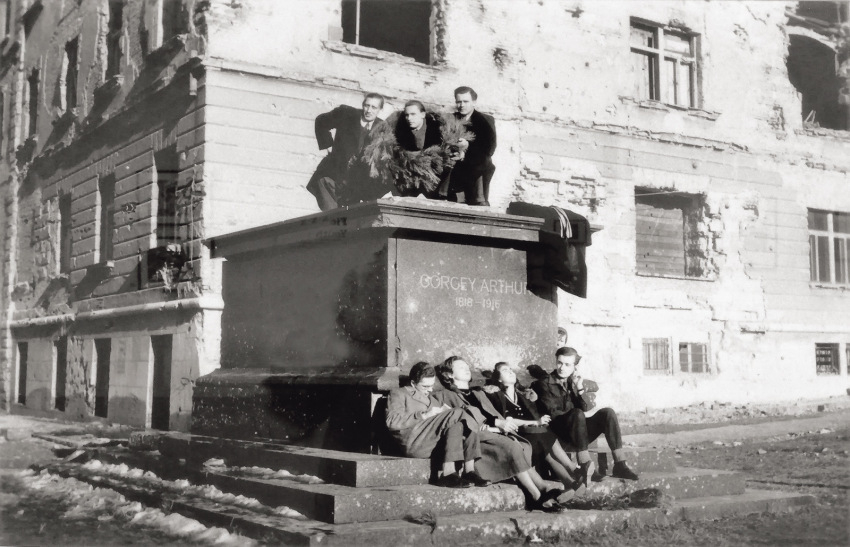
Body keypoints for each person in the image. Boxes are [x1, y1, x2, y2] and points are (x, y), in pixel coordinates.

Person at [434, 356, 566, 511]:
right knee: (511, 447)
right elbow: (454, 424)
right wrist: (494, 427)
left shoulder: (478, 393)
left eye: (467, 366)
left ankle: (543, 488)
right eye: (461, 367)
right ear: (449, 374)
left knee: (518, 445)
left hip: (494, 432)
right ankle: (536, 495)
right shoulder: (444, 395)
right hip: (474, 437)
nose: (467, 369)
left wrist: (501, 426)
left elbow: (493, 414)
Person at [531, 347, 639, 487]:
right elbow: (552, 413)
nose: (562, 368)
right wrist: (581, 414)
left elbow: (585, 408)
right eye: (559, 363)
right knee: (577, 413)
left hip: (578, 433)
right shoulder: (544, 383)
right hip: (558, 436)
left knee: (608, 413)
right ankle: (585, 465)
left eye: (567, 364)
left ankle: (620, 465)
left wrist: (579, 388)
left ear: (574, 367)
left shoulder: (572, 382)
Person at [485, 362, 584, 495]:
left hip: (530, 434)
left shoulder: (521, 395)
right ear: (498, 379)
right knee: (544, 439)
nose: (510, 372)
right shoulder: (496, 396)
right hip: (515, 435)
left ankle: (570, 482)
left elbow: (535, 415)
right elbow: (508, 420)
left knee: (546, 442)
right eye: (505, 370)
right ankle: (572, 471)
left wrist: (534, 403)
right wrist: (535, 422)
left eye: (511, 369)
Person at [385, 362, 482, 488]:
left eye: (432, 386)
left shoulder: (432, 398)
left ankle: (468, 471)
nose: (430, 390)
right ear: (413, 383)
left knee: (459, 422)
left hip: (433, 443)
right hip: (415, 442)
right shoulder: (399, 393)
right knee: (459, 413)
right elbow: (392, 421)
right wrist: (424, 415)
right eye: (425, 386)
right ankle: (448, 472)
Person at [307, 93, 391, 211]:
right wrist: (327, 145)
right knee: (332, 215)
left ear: (380, 109)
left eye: (374, 107)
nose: (369, 110)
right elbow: (321, 121)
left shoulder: (383, 128)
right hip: (330, 176)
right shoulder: (346, 114)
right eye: (367, 105)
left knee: (349, 217)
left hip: (354, 185)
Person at [438, 86, 496, 206]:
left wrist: (467, 147)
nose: (462, 105)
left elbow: (489, 147)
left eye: (465, 101)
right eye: (459, 102)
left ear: (474, 102)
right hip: (452, 161)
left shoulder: (485, 120)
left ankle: (479, 199)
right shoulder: (450, 119)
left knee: (483, 163)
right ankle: (443, 195)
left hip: (474, 163)